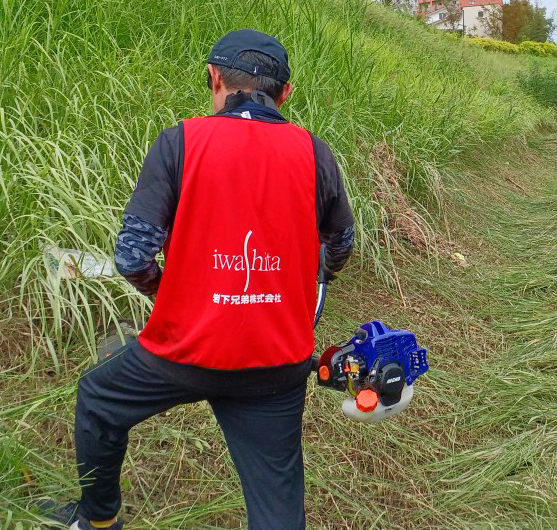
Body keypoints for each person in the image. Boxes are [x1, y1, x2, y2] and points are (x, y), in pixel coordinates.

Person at [43, 30, 355, 530]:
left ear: (214, 78)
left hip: (181, 354)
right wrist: (315, 283)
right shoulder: (315, 153)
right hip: (276, 364)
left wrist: (173, 295)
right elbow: (340, 244)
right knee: (277, 502)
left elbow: (131, 257)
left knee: (99, 400)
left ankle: (98, 520)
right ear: (285, 93)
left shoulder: (179, 142)